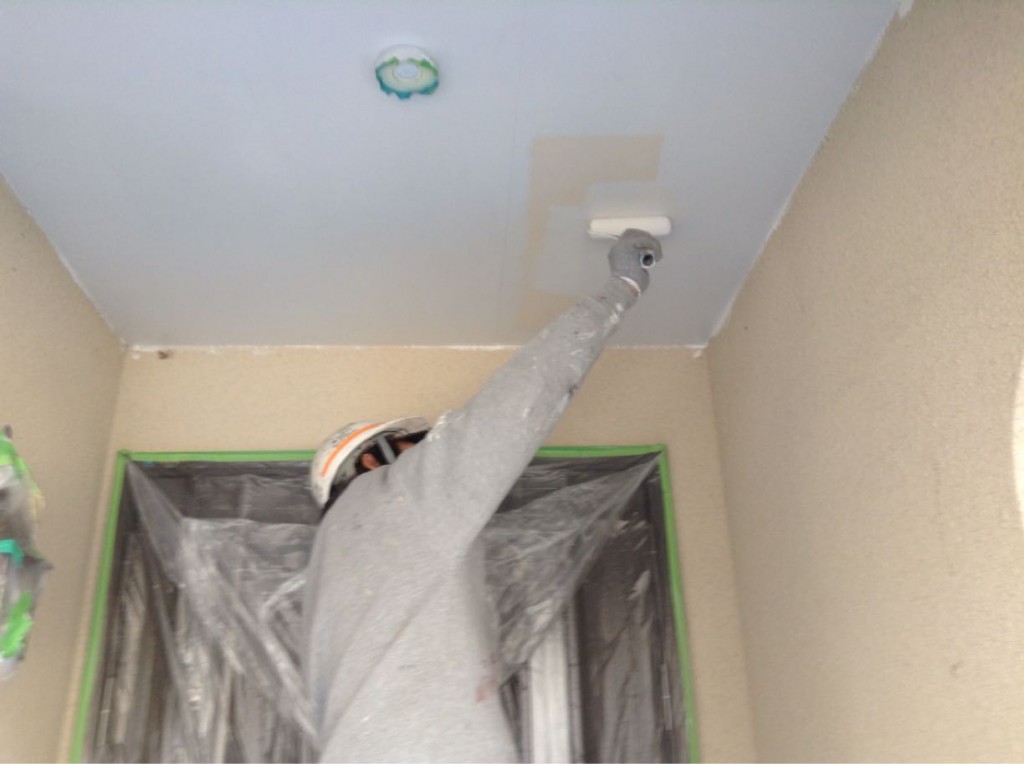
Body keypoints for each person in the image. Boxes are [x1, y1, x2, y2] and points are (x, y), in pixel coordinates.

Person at [303, 230, 663, 762]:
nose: (428, 452)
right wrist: (621, 287)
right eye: (415, 446)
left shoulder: (329, 572)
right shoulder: (395, 501)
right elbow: (515, 405)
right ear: (371, 461)